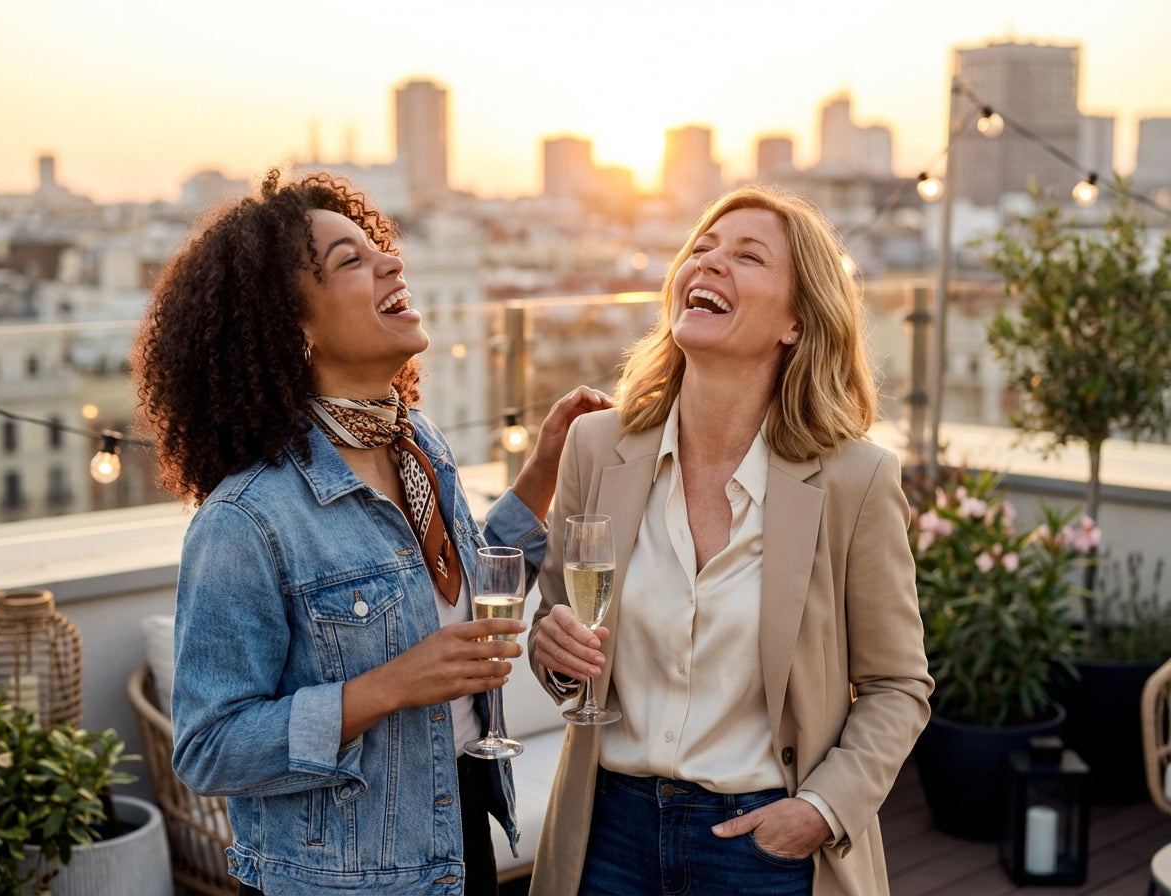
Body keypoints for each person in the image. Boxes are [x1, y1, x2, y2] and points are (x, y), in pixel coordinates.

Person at [130, 169, 610, 895]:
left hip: (455, 834)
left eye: (377, 247)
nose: (392, 262)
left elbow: (463, 581)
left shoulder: (418, 444)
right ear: (294, 328)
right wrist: (387, 687)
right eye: (349, 261)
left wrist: (542, 469)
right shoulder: (247, 518)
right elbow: (208, 748)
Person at [527, 184, 934, 895]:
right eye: (702, 249)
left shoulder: (855, 480)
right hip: (608, 831)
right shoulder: (596, 447)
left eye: (748, 257)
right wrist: (554, 651)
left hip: (760, 847)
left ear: (797, 324)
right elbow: (561, 630)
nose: (710, 264)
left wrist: (819, 810)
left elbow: (897, 685)